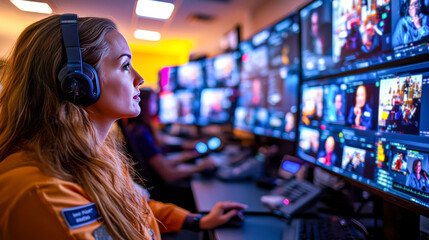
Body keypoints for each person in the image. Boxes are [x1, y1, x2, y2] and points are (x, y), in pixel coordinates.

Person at [0, 14, 246, 239]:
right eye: (125, 65)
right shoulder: (41, 195)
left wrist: (196, 220)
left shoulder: (96, 156)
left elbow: (132, 206)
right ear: (78, 83)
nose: (139, 79)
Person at [121, 88, 216, 210]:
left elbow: (157, 163)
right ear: (144, 104)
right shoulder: (141, 133)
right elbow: (168, 174)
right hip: (163, 194)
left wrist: (185, 157)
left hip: (157, 188)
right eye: (154, 101)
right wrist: (201, 167)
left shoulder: (137, 129)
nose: (157, 105)